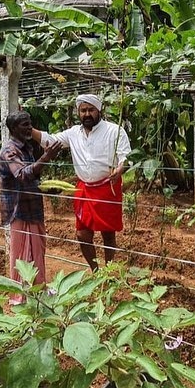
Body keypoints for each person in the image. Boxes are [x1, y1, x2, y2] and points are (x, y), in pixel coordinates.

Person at [35, 94, 131, 271]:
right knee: (82, 234)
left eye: (91, 110)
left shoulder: (114, 131)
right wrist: (28, 130)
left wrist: (120, 169)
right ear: (78, 112)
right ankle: (95, 270)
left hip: (107, 187)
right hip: (84, 189)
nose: (87, 114)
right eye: (83, 110)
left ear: (99, 110)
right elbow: (50, 140)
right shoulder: (73, 134)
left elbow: (126, 157)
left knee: (108, 233)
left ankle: (108, 272)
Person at [0, 111, 62, 285]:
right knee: (21, 254)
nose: (29, 128)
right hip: (19, 210)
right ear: (12, 128)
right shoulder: (9, 151)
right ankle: (20, 294)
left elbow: (32, 179)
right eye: (24, 125)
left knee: (38, 251)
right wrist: (45, 158)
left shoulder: (27, 147)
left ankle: (38, 289)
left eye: (29, 123)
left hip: (33, 208)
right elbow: (22, 175)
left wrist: (47, 189)